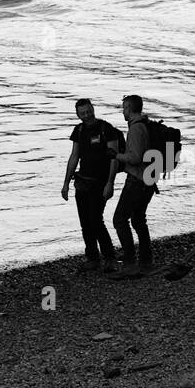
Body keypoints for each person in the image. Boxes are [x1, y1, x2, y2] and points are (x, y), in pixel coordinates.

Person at [61, 99, 123, 273]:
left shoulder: (106, 129)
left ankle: (110, 258)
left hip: (101, 182)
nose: (86, 115)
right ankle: (92, 258)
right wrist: (65, 183)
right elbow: (74, 157)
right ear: (78, 115)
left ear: (93, 109)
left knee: (96, 220)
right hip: (82, 182)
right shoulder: (79, 130)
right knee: (85, 223)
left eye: (88, 111)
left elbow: (114, 158)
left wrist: (110, 183)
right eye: (83, 113)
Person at [107, 94, 157, 277]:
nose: (123, 111)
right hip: (149, 181)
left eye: (124, 107)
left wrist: (116, 156)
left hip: (137, 181)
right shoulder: (146, 124)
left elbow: (135, 158)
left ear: (129, 107)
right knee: (137, 219)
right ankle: (145, 259)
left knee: (120, 220)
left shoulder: (136, 129)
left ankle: (129, 263)